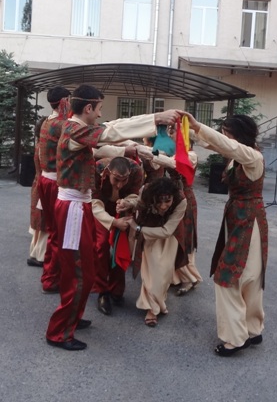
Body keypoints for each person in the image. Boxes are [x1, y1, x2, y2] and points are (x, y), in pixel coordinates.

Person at [45, 84, 179, 351]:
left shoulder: (75, 129)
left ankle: (72, 317)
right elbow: (112, 131)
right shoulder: (75, 129)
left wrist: (126, 151)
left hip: (78, 205)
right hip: (73, 208)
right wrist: (155, 119)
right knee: (78, 272)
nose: (99, 114)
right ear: (88, 108)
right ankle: (59, 332)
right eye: (98, 109)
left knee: (84, 270)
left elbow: (105, 138)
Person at [181, 112, 268, 357]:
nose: (223, 137)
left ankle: (236, 338)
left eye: (227, 133)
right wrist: (187, 131)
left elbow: (225, 145)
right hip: (240, 218)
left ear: (238, 136)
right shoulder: (239, 154)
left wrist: (197, 125)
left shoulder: (251, 155)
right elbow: (216, 144)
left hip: (248, 221)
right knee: (249, 275)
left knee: (228, 277)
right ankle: (252, 328)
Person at [148, 124, 202, 296]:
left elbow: (173, 163)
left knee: (185, 237)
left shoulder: (191, 155)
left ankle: (189, 278)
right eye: (170, 131)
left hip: (186, 198)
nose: (170, 134)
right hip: (173, 199)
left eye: (173, 132)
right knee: (174, 238)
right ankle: (176, 276)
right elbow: (158, 162)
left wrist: (151, 153)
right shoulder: (172, 153)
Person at [127, 177, 187, 327]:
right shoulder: (146, 192)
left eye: (168, 201)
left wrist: (137, 228)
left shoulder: (181, 201)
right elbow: (139, 203)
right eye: (159, 202)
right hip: (150, 231)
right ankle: (152, 309)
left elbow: (167, 231)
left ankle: (158, 299)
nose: (163, 206)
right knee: (152, 272)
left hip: (170, 235)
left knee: (164, 272)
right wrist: (127, 204)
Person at [92, 156, 143, 315]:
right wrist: (113, 222)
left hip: (123, 208)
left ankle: (116, 289)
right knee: (101, 245)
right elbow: (94, 203)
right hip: (100, 208)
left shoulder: (136, 171)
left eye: (124, 180)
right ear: (108, 173)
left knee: (121, 247)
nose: (120, 185)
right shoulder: (96, 169)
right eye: (116, 180)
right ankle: (102, 291)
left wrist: (128, 203)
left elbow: (136, 196)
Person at [36, 87, 71, 291]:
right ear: (64, 101)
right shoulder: (60, 124)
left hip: (45, 180)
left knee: (54, 232)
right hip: (53, 183)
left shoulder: (48, 121)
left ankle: (52, 275)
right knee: (58, 233)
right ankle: (51, 278)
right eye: (69, 99)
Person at [28, 116, 49, 268]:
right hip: (43, 185)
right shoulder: (44, 147)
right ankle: (40, 255)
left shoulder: (40, 145)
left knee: (40, 223)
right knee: (43, 223)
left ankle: (36, 253)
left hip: (39, 183)